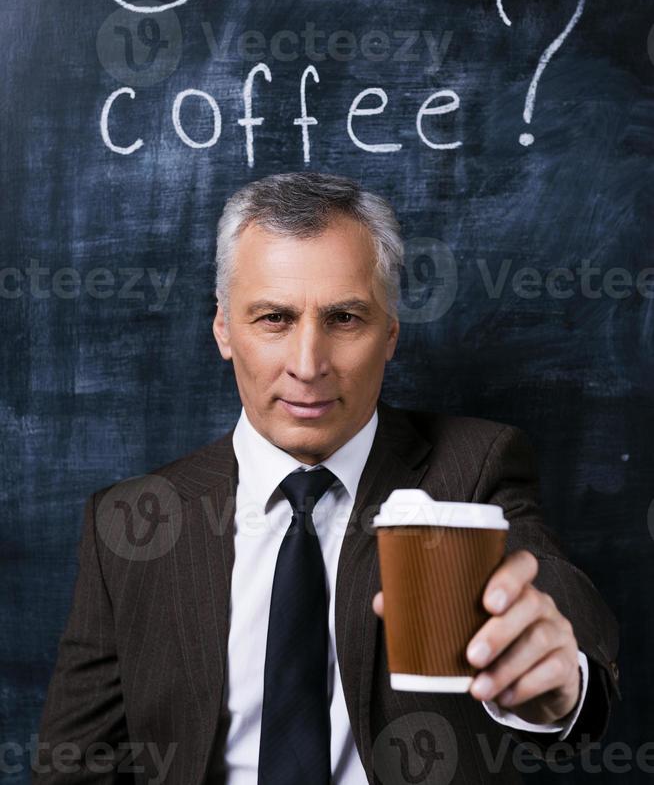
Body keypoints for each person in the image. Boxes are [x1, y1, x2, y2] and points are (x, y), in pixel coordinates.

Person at [34, 171, 620, 785]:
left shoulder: (473, 468)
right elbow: (77, 767)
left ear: (389, 333)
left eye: (344, 318)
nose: (308, 365)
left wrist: (561, 676)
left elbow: (554, 587)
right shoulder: (129, 523)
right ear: (223, 330)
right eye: (274, 319)